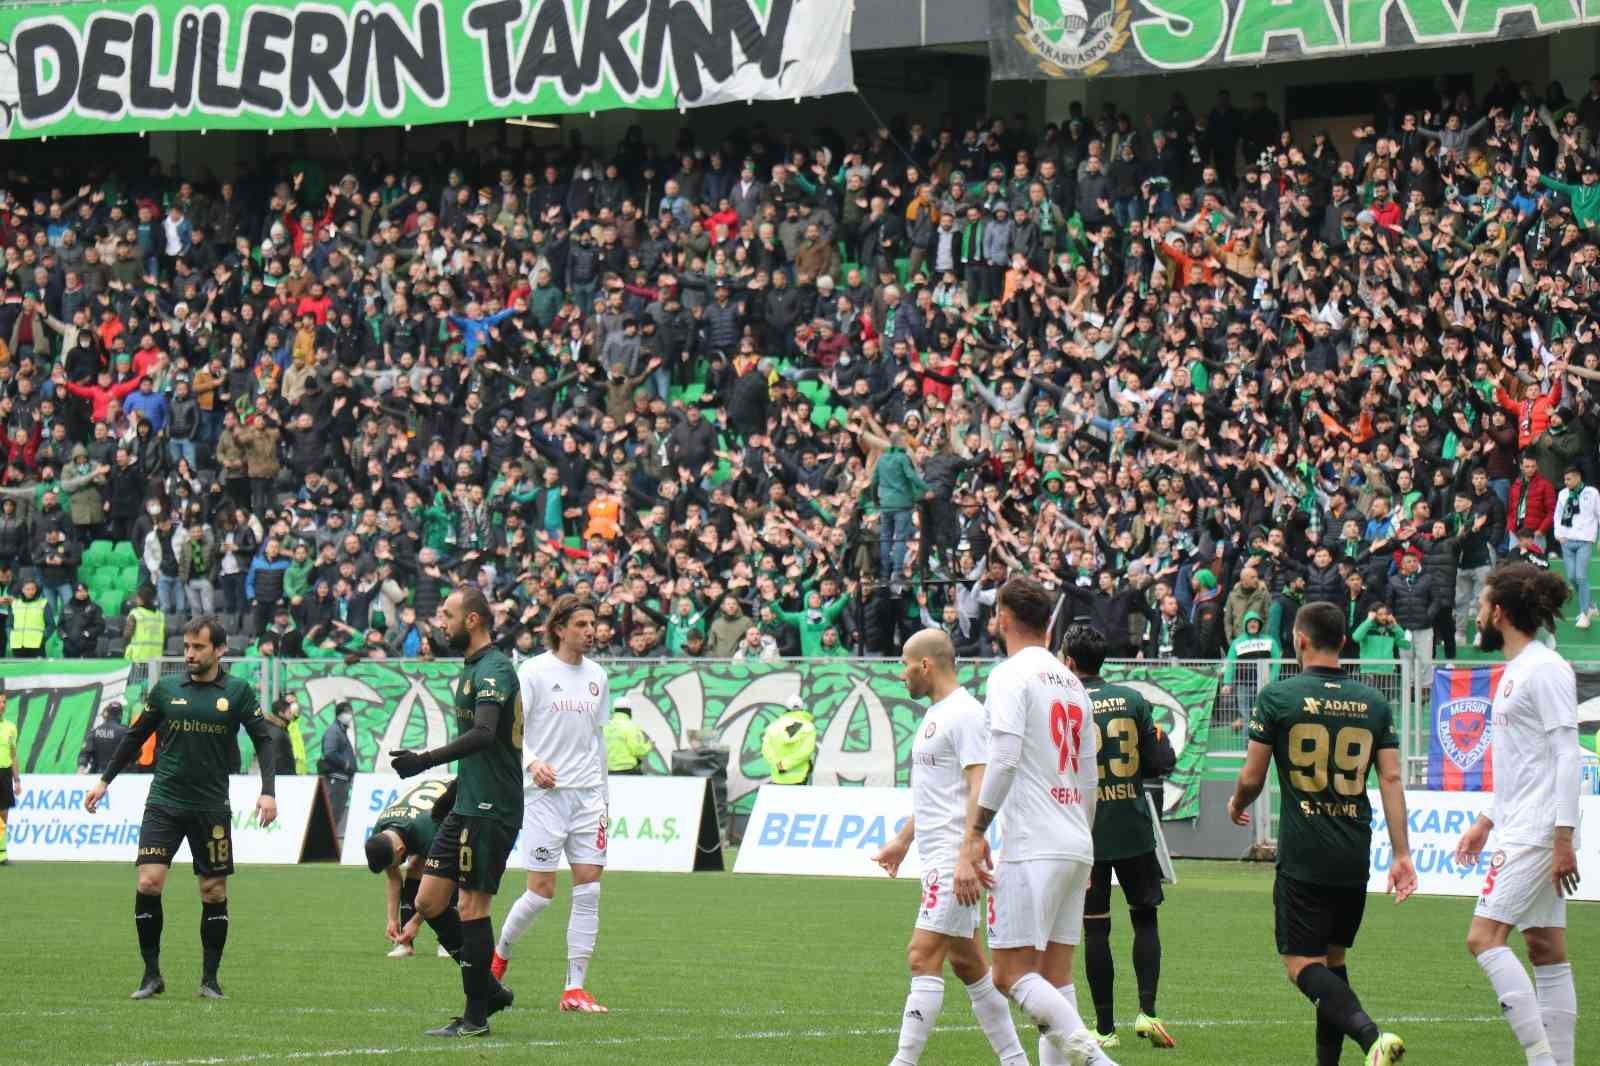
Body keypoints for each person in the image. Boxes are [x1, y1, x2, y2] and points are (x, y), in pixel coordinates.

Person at [1226, 602, 1416, 1066]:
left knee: (1300, 966)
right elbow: (1390, 780)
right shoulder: (1373, 702)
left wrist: (1236, 804)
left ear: (1300, 639)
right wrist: (1402, 854)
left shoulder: (1278, 696)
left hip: (1305, 852)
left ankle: (1372, 1037)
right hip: (1354, 850)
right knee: (1333, 961)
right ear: (1345, 643)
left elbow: (1252, 777)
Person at [956, 577, 1111, 1066]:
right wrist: (1085, 846)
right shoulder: (1073, 684)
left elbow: (1002, 758)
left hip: (1033, 842)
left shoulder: (1009, 675)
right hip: (1074, 840)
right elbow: (1089, 782)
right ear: (1049, 623)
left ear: (1002, 618)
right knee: (1055, 979)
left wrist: (977, 832)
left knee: (1009, 975)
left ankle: (1100, 1063)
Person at [82, 617, 278, 1000]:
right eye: (187, 646)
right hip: (164, 802)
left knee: (213, 892)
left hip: (211, 808)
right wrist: (104, 781)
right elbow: (136, 736)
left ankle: (209, 979)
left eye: (198, 647)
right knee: (147, 882)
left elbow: (264, 740)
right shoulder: (166, 689)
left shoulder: (237, 693)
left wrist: (268, 791)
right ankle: (151, 975)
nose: (189, 654)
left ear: (219, 650)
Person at [872, 628, 1029, 1066]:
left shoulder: (964, 714)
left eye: (905, 664)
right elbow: (941, 794)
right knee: (969, 965)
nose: (901, 674)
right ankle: (1016, 1060)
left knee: (921, 956)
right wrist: (903, 841)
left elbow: (980, 783)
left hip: (951, 859)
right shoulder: (938, 714)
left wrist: (968, 852)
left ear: (926, 664)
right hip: (937, 856)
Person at [1454, 564, 1582, 1066]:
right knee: (1545, 947)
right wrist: (1486, 821)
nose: (1477, 614)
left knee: (1483, 938)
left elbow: (1567, 754)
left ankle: (1543, 1060)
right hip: (1521, 822)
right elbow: (1520, 763)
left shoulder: (1546, 668)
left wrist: (1563, 838)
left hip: (1538, 829)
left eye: (1482, 606)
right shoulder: (1518, 670)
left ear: (1499, 613)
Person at [388, 585, 520, 1037]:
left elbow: (485, 734)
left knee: (471, 906)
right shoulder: (471, 669)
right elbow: (483, 748)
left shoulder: (495, 669)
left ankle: (475, 1016)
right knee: (426, 901)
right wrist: (449, 795)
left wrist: (425, 761)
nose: (439, 622)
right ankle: (489, 989)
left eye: (447, 614)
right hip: (467, 801)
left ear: (474, 620)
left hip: (491, 806)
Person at [492, 595, 612, 1013]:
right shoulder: (534, 672)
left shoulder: (598, 675)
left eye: (592, 623)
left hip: (588, 797)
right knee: (541, 893)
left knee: (590, 889)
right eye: (581, 624)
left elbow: (598, 739)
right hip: (544, 796)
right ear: (559, 628)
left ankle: (574, 989)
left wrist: (604, 798)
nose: (590, 631)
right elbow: (511, 730)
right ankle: (500, 955)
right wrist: (532, 763)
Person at [1062, 625, 1178, 1051]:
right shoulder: (1132, 700)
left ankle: (1105, 1028)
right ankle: (1148, 1013)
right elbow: (1160, 761)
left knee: (1096, 930)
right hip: (1133, 828)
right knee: (1144, 918)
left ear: (1070, 662)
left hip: (1086, 832)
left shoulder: (1066, 704)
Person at [363, 777, 457, 960]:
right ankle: (404, 943)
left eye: (394, 862)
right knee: (414, 866)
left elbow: (443, 880)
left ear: (400, 850)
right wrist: (391, 919)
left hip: (455, 806)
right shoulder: (380, 833)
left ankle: (449, 940)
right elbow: (393, 877)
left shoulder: (429, 831)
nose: (393, 868)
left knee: (450, 876)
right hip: (419, 816)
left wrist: (415, 922)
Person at [1552, 467, 1600, 629]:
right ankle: (1591, 605)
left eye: (1569, 479)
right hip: (1567, 540)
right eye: (1565, 480)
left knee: (1581, 576)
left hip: (1585, 540)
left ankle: (1585, 613)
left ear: (1578, 477)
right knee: (1572, 577)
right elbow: (1558, 515)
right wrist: (1558, 534)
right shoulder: (1563, 494)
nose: (1566, 483)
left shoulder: (1592, 493)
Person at [319, 701, 358, 838]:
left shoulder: (340, 730)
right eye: (347, 711)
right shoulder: (334, 731)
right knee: (333, 812)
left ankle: (327, 840)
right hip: (337, 778)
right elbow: (329, 753)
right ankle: (325, 841)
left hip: (342, 778)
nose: (350, 715)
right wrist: (346, 764)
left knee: (337, 811)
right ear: (339, 714)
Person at [761, 695, 817, 784]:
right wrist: (785, 765)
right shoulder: (808, 727)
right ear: (801, 708)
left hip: (779, 777)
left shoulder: (773, 727)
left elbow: (766, 750)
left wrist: (779, 766)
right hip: (799, 777)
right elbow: (806, 751)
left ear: (787, 708)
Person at [603, 695, 652, 774]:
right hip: (628, 772)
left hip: (608, 772)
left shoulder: (606, 727)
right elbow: (637, 751)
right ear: (629, 711)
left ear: (615, 710)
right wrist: (649, 745)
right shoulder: (631, 727)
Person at [78, 702, 129, 775]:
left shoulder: (95, 731)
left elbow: (85, 752)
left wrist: (81, 768)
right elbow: (137, 753)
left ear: (107, 714)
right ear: (120, 715)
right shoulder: (125, 731)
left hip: (97, 774)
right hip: (119, 774)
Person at [0, 692, 17, 866]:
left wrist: (17, 779)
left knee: (4, 815)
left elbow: (13, 755)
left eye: (4, 702)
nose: (2, 705)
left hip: (4, 774)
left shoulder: (10, 727)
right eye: (0, 702)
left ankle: (2, 853)